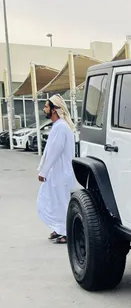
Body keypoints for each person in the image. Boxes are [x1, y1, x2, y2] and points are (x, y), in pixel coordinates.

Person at [36, 94, 76, 244]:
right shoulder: (58, 126)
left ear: (54, 110)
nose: (44, 109)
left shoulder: (61, 127)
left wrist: (43, 171)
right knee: (51, 200)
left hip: (61, 173)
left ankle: (66, 232)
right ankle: (59, 228)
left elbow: (54, 151)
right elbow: (50, 151)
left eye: (46, 106)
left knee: (62, 202)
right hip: (57, 172)